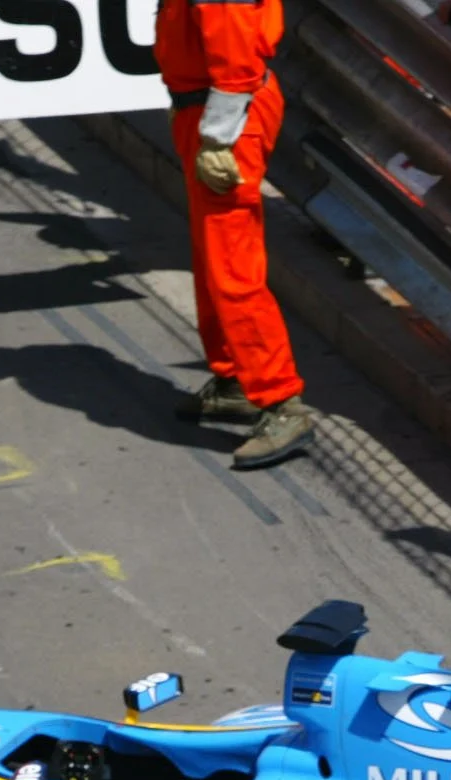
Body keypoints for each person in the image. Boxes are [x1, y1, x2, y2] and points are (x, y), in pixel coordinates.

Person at [156, 0, 319, 468]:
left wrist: (218, 136)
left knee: (231, 265)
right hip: (209, 109)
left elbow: (235, 55)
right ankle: (235, 379)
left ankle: (281, 402)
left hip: (226, 115)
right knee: (215, 255)